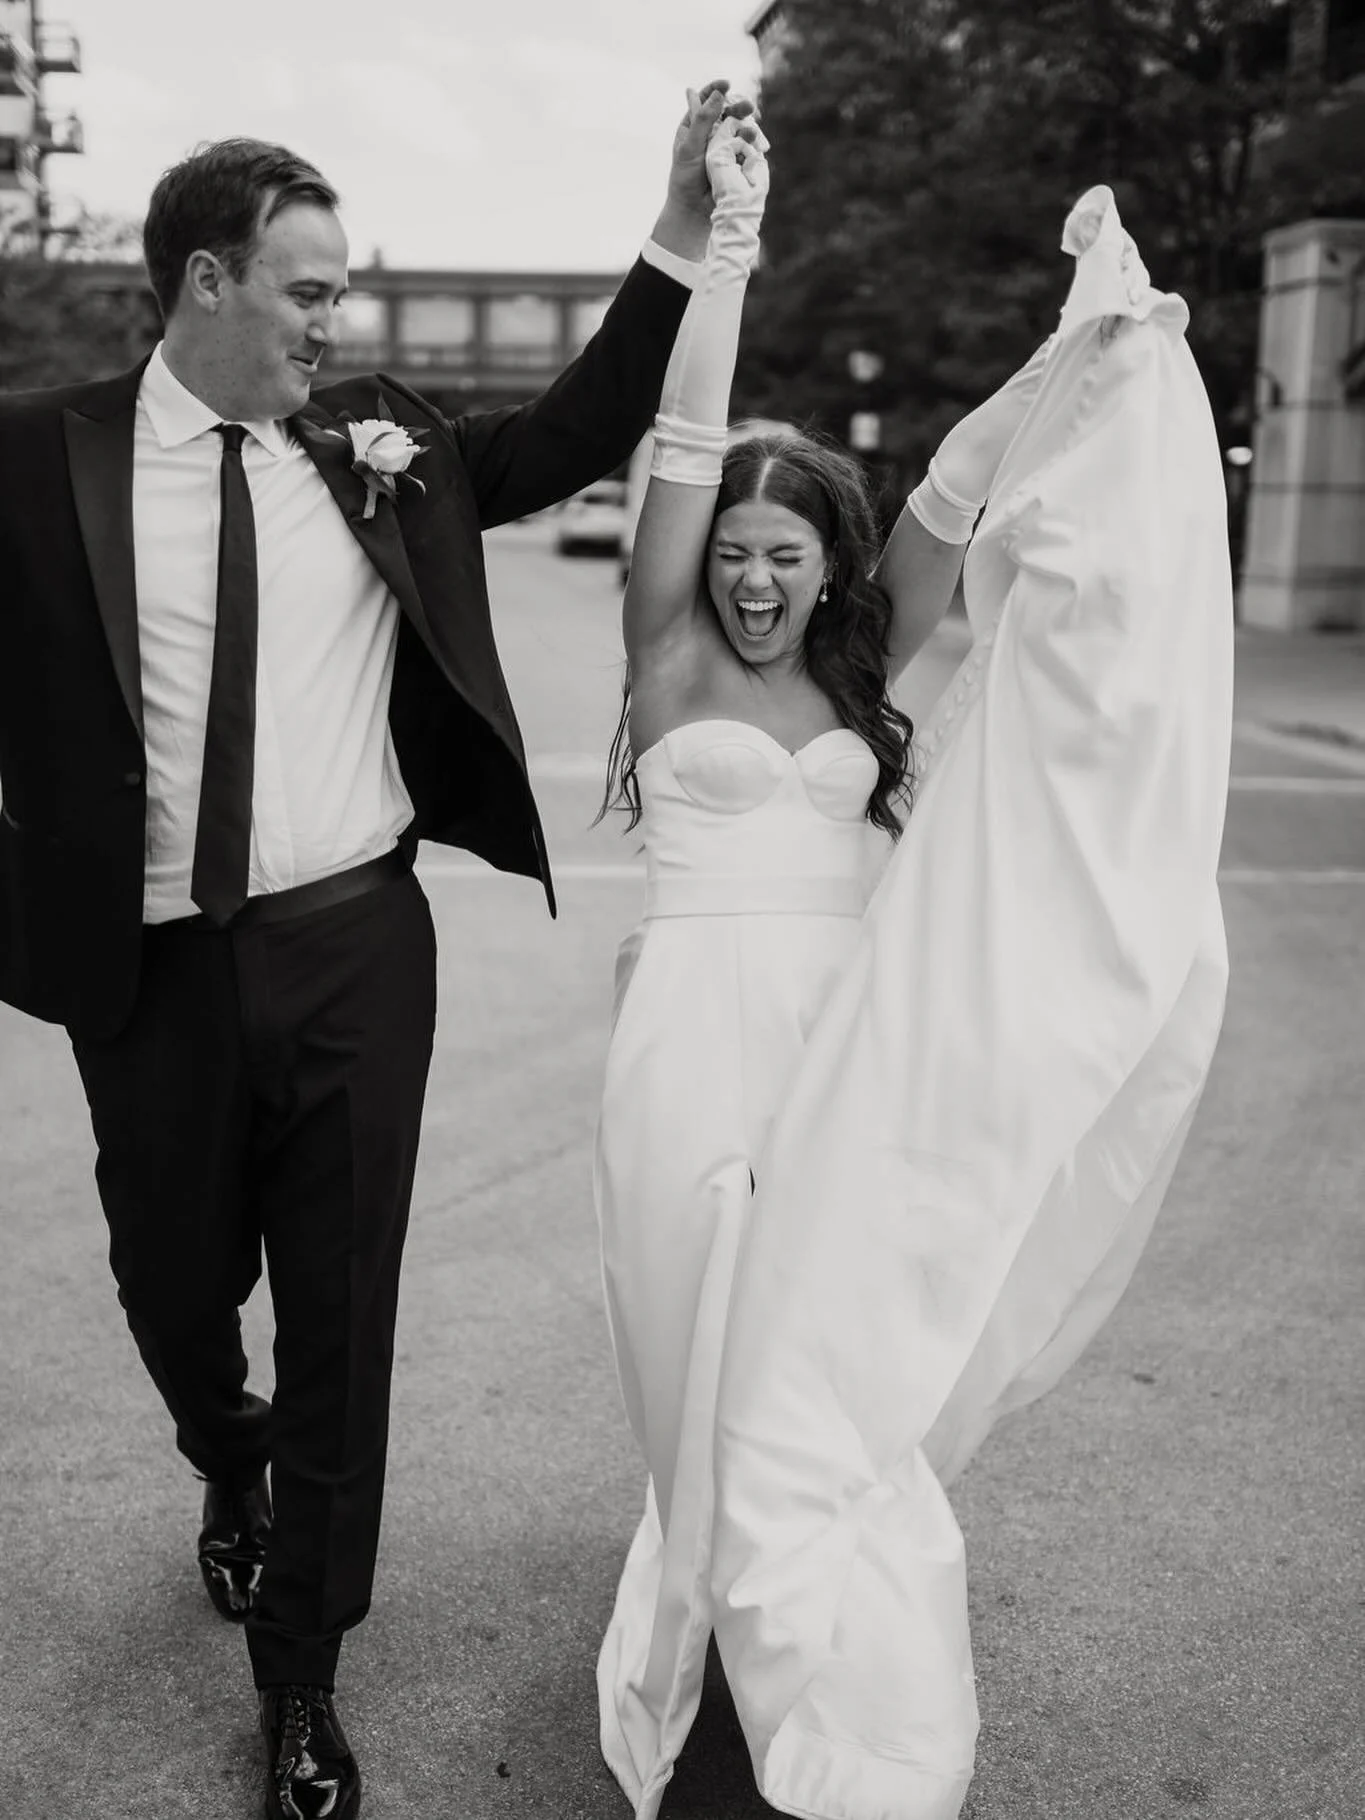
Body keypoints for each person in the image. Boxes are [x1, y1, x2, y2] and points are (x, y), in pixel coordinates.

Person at [0, 81, 757, 1820]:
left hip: (356, 946)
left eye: (339, 293)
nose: (338, 321)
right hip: (155, 968)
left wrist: (675, 223)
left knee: (344, 1310)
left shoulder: (377, 445)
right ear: (207, 284)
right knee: (171, 1284)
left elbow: (579, 425)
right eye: (311, 291)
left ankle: (304, 1675)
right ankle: (226, 1456)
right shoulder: (37, 456)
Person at [592, 131, 1233, 1820]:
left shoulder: (871, 665)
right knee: (691, 1364)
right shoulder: (662, 656)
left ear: (828, 564)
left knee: (815, 1371)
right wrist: (727, 244)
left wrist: (1072, 348)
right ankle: (709, 1620)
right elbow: (675, 439)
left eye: (784, 553)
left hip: (846, 1057)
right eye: (732, 549)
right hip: (683, 1049)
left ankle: (798, 1676)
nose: (750, 576)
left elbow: (954, 489)